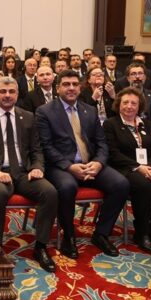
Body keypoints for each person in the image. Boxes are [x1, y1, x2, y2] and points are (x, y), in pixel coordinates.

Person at [36, 70, 129, 258]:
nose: (71, 88)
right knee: (67, 187)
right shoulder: (45, 112)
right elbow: (46, 147)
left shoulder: (90, 110)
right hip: (61, 167)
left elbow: (102, 143)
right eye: (66, 84)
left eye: (74, 84)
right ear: (57, 88)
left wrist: (98, 163)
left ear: (80, 87)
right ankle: (69, 236)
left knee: (121, 184)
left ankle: (101, 233)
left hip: (90, 164)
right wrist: (69, 167)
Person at [0, 77, 58, 272]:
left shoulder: (28, 117)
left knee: (50, 192)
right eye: (3, 91)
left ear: (18, 94)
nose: (7, 95)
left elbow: (36, 149)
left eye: (11, 91)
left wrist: (37, 167)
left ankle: (41, 247)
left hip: (23, 172)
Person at [103, 87, 151, 253]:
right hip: (125, 167)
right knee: (144, 185)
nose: (129, 106)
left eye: (133, 103)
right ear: (118, 104)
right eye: (125, 102)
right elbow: (113, 153)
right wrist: (138, 167)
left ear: (139, 106)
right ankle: (142, 232)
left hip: (150, 167)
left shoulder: (147, 124)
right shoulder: (111, 124)